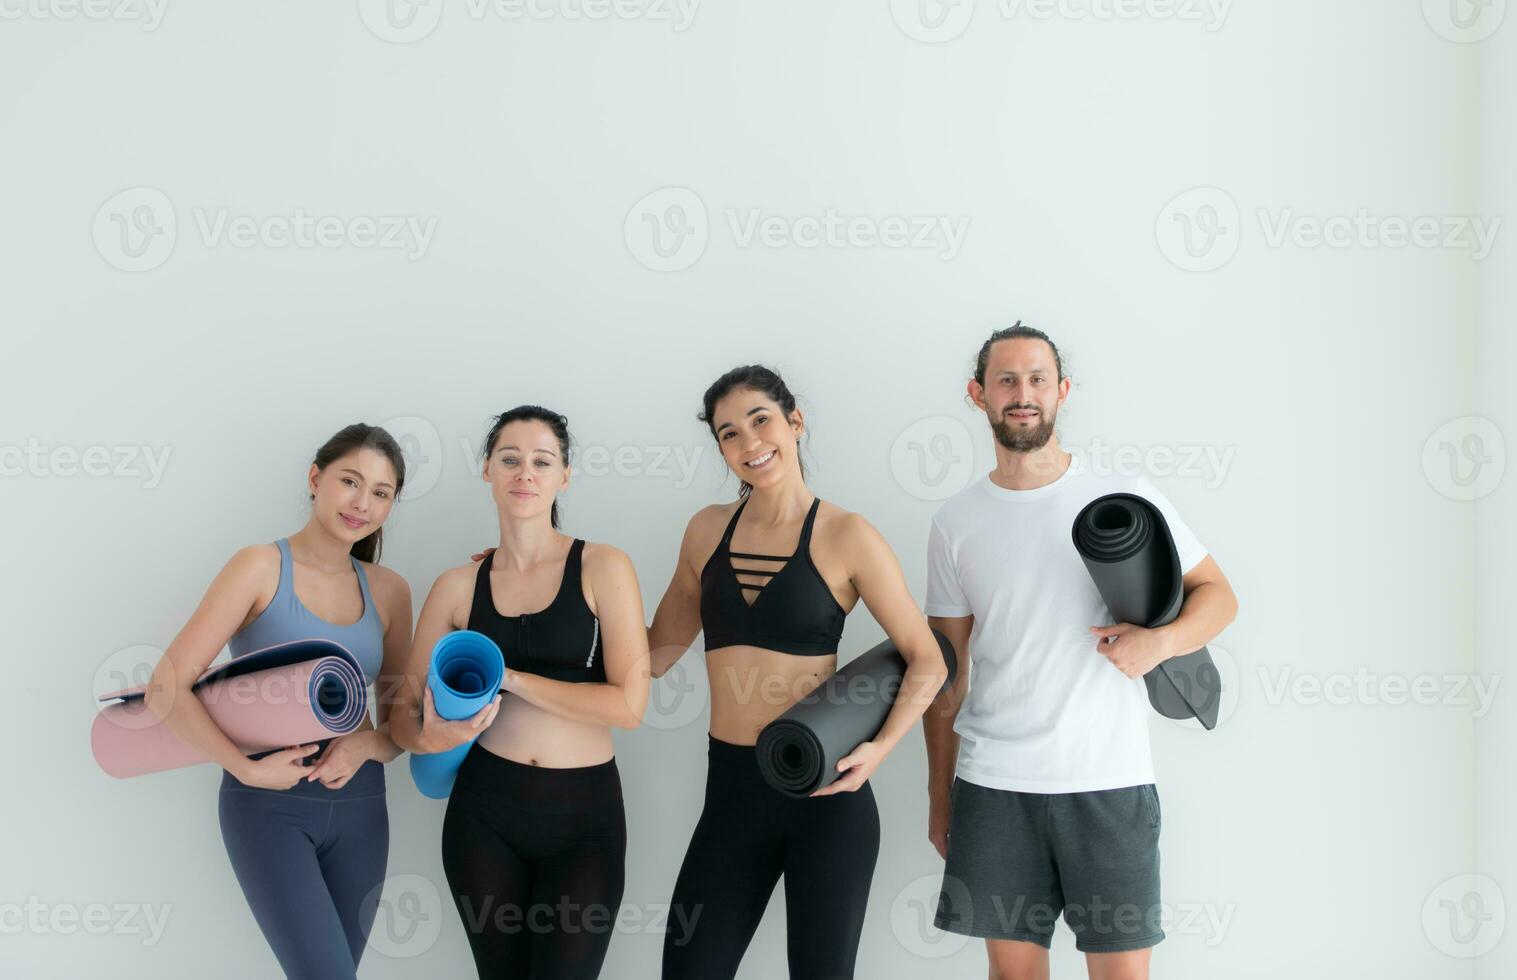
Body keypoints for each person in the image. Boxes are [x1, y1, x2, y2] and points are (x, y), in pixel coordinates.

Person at [923, 324, 1239, 980]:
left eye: (1036, 378)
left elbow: (1218, 597)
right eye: (1005, 379)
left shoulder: (1125, 497)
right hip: (994, 783)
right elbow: (945, 674)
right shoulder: (955, 523)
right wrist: (938, 793)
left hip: (1107, 779)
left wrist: (1159, 644)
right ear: (976, 393)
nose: (1022, 393)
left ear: (1061, 391)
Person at [649, 365, 950, 980]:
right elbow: (652, 655)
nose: (750, 442)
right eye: (729, 433)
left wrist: (881, 749)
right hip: (731, 791)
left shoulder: (847, 535)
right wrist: (542, 575)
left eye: (761, 420)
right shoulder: (706, 531)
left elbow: (930, 659)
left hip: (827, 794)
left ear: (795, 421)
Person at [144, 424, 415, 980]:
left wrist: (367, 744)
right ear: (316, 479)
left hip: (362, 807)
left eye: (381, 493)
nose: (363, 503)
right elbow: (166, 685)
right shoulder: (260, 567)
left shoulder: (390, 590)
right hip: (268, 806)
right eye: (350, 481)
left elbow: (402, 725)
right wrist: (243, 767)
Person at [390, 405, 650, 980]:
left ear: (564, 475)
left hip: (584, 820)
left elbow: (630, 706)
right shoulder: (457, 587)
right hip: (485, 815)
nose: (524, 472)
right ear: (487, 470)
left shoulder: (603, 566)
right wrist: (431, 734)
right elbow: (401, 716)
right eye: (510, 458)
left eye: (542, 460)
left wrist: (510, 678)